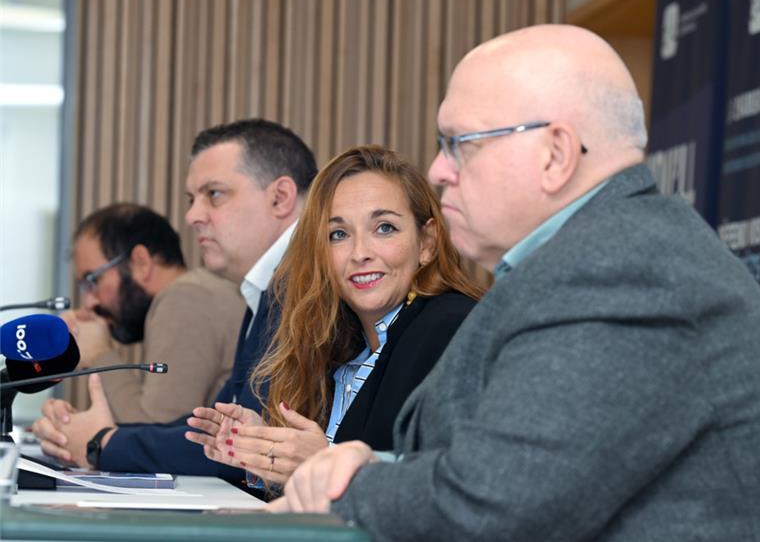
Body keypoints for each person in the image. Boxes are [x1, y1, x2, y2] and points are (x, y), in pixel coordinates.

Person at [269, 25, 760, 540]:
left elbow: (495, 504)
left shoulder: (621, 269)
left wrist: (343, 486)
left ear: (556, 154)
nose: (438, 170)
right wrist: (375, 463)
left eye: (460, 143)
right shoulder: (600, 255)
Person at [32, 119, 318, 483]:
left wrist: (100, 441)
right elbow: (212, 428)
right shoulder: (263, 289)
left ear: (280, 198)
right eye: (192, 199)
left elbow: (235, 444)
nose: (192, 215)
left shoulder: (302, 285)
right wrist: (92, 435)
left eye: (214, 194)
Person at [187, 145, 483, 489]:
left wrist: (322, 462)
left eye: (384, 228)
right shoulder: (336, 346)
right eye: (338, 235)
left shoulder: (453, 330)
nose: (360, 253)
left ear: (427, 242)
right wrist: (266, 449)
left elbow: (458, 483)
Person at [58, 203, 243, 424]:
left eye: (93, 280)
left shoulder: (183, 300)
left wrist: (99, 353)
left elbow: (154, 435)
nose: (89, 302)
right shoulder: (196, 292)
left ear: (141, 262)